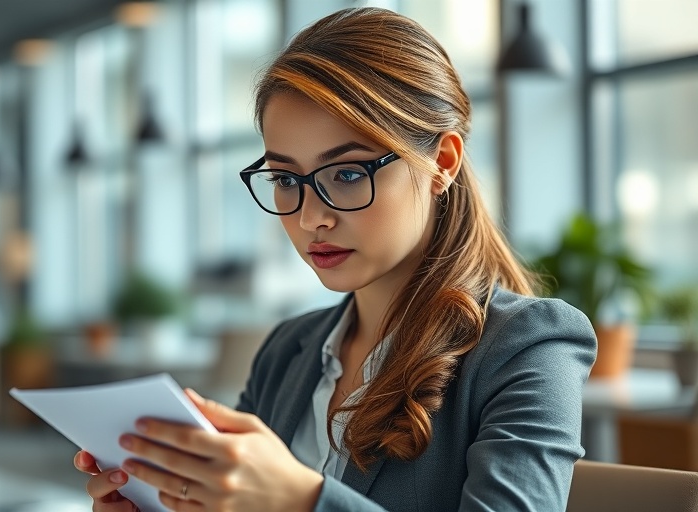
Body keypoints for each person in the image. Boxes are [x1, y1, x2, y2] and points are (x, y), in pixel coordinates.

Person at [74, 7, 597, 511]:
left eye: (346, 174)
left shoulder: (528, 348)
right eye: (285, 179)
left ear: (442, 162)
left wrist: (301, 501)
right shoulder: (287, 352)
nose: (310, 218)